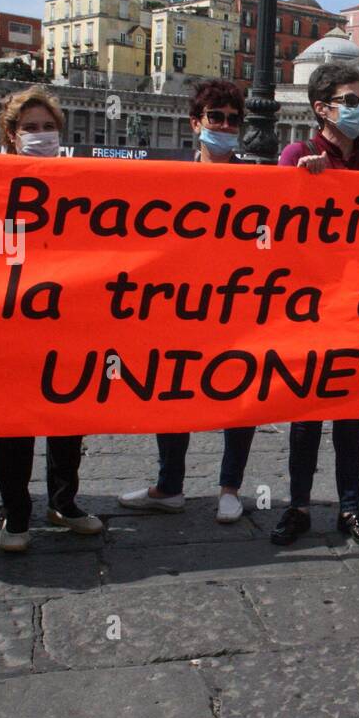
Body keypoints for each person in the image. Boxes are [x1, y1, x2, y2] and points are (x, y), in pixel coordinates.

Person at [272, 64, 359, 548]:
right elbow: (274, 222)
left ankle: (349, 508)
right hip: (308, 306)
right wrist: (300, 185)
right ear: (321, 108)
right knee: (305, 415)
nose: (358, 109)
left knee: (350, 412)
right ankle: (298, 506)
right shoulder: (297, 154)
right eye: (349, 101)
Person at [118, 80, 254, 524]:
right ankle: (169, 485)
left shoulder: (260, 181)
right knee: (172, 388)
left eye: (234, 119)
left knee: (242, 393)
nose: (226, 126)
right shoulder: (170, 177)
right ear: (196, 123)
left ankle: (230, 487)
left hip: (239, 304)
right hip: (179, 304)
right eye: (216, 117)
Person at [0, 86, 101, 552]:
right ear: (11, 136)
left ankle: (63, 502)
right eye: (30, 129)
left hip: (68, 314)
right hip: (12, 316)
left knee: (67, 415)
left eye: (48, 127)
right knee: (14, 423)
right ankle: (16, 514)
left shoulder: (79, 180)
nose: (41, 135)